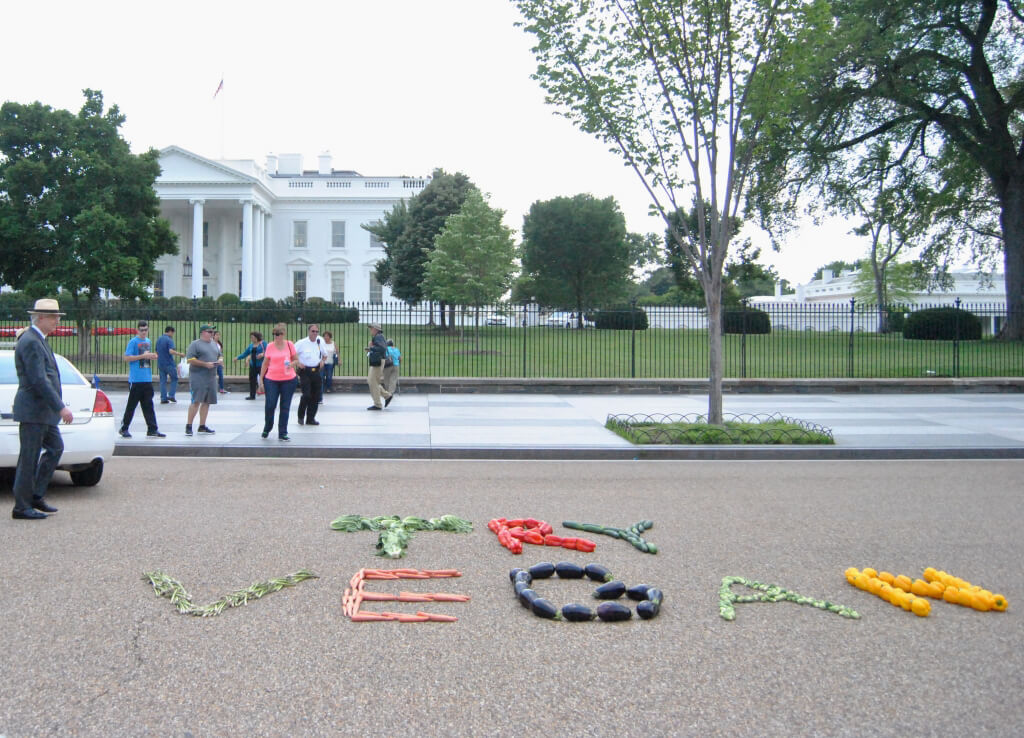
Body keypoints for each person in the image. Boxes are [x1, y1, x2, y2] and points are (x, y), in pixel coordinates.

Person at [11, 299, 74, 520]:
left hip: (43, 412)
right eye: (54, 317)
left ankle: (35, 494)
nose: (57, 320)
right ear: (40, 318)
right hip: (34, 410)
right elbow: (38, 379)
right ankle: (21, 506)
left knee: (55, 448)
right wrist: (60, 407)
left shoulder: (38, 339)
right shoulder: (30, 341)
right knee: (28, 458)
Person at [119, 320, 165, 438]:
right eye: (142, 330)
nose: (144, 332)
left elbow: (146, 358)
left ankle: (152, 428)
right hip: (136, 379)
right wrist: (143, 356)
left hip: (146, 378)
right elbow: (127, 357)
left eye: (146, 330)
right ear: (137, 330)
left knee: (148, 405)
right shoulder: (133, 342)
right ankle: (124, 427)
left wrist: (152, 356)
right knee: (132, 405)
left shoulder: (148, 341)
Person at [259, 324, 298, 441]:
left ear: (283, 334)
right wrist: (261, 379)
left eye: (278, 334)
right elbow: (265, 363)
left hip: (288, 379)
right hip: (272, 379)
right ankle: (268, 426)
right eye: (274, 334)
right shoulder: (270, 346)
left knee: (285, 406)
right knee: (270, 405)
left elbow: (296, 359)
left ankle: (283, 432)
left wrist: (292, 364)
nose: (276, 336)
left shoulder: (290, 345)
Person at [184, 324, 222, 436]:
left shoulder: (215, 345)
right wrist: (205, 364)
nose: (211, 334)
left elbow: (220, 355)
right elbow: (190, 359)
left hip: (211, 377)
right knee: (196, 400)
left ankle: (202, 425)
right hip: (198, 376)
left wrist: (219, 360)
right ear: (202, 333)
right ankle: (189, 425)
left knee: (207, 401)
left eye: (212, 332)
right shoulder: (195, 344)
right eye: (209, 331)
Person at [294, 323, 327, 425]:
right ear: (309, 331)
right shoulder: (302, 343)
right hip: (305, 371)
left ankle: (310, 418)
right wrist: (298, 363)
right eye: (313, 331)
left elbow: (325, 355)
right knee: (307, 395)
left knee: (316, 396)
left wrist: (322, 361)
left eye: (317, 331)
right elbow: (292, 354)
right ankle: (301, 416)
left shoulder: (319, 341)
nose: (315, 333)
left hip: (316, 371)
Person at [365, 322, 393, 411]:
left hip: (378, 361)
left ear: (376, 329)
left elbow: (382, 348)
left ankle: (378, 404)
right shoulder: (378, 337)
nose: (370, 330)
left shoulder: (378, 337)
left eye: (371, 328)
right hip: (377, 361)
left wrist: (371, 348)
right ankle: (387, 396)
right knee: (372, 381)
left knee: (372, 381)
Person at [155, 325, 184, 404]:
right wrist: (180, 354)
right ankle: (171, 395)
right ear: (170, 332)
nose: (173, 335)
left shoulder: (159, 339)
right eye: (173, 333)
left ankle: (163, 398)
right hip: (169, 363)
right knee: (174, 378)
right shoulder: (169, 340)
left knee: (162, 381)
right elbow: (171, 351)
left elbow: (156, 352)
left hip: (160, 363)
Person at [236, 331, 267, 400]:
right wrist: (237, 358)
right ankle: (252, 395)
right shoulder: (251, 345)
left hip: (261, 366)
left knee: (265, 380)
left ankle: (268, 394)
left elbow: (269, 352)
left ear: (257, 338)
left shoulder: (263, 344)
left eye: (252, 337)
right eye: (251, 337)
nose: (251, 339)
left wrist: (262, 354)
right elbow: (245, 353)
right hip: (253, 366)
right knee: (252, 380)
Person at [321, 330, 339, 395]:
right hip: (322, 362)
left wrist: (339, 360)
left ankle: (328, 388)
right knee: (322, 376)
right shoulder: (321, 343)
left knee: (329, 376)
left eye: (327, 336)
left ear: (330, 337)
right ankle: (321, 389)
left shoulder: (333, 343)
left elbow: (337, 352)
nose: (326, 337)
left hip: (330, 362)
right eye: (324, 336)